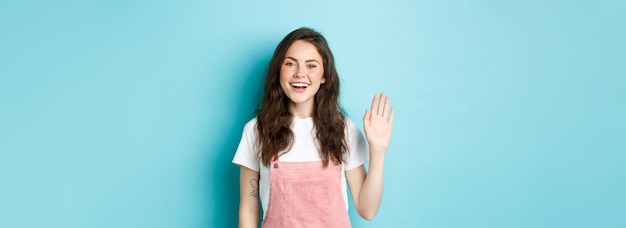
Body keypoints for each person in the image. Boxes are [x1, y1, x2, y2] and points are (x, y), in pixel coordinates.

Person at [232, 27, 395, 228]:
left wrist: (378, 151)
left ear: (324, 76)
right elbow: (248, 209)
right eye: (290, 63)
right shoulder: (256, 130)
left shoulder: (344, 130)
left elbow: (367, 209)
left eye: (311, 65)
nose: (300, 73)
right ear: (278, 71)